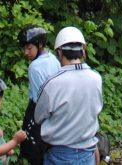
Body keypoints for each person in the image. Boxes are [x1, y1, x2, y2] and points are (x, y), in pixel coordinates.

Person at [35, 26, 103, 165]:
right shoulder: (96, 78)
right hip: (88, 151)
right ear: (82, 51)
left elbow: (39, 117)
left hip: (60, 154)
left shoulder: (52, 83)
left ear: (59, 52)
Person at [18, 25, 60, 164]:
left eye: (29, 48)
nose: (26, 52)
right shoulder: (54, 59)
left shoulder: (34, 67)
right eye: (24, 48)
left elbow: (38, 100)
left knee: (34, 155)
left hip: (38, 115)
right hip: (57, 111)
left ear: (40, 44)